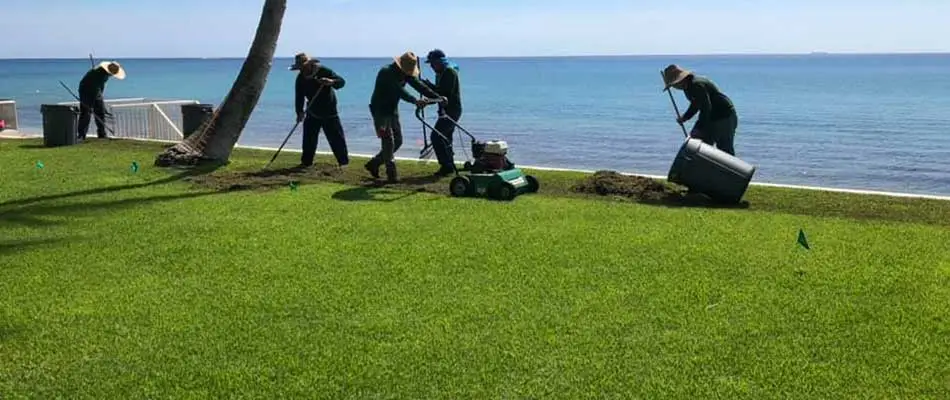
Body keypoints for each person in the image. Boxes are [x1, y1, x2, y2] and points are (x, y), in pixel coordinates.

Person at [364, 51, 443, 183]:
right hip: (380, 111)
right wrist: (415, 101)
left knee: (398, 141)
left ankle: (374, 163)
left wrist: (436, 97)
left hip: (392, 110)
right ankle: (392, 175)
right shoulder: (386, 72)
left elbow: (419, 86)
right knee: (388, 141)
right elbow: (399, 91)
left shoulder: (405, 74)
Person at [663, 64, 738, 156]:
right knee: (702, 147)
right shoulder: (688, 86)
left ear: (680, 81)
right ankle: (706, 168)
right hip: (713, 117)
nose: (674, 87)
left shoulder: (696, 85)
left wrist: (699, 127)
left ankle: (728, 170)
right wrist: (685, 117)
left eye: (674, 85)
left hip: (724, 116)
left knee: (724, 151)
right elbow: (695, 105)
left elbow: (706, 107)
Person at [290, 52, 349, 168]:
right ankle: (306, 163)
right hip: (312, 110)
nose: (302, 70)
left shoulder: (324, 71)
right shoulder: (301, 78)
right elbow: (299, 96)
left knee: (336, 138)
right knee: (309, 139)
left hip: (329, 110)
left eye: (303, 67)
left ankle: (343, 163)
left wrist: (331, 82)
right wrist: (299, 112)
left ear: (310, 65)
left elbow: (341, 82)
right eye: (300, 68)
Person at [419, 49, 463, 176]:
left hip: (452, 110)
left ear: (439, 62)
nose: (432, 67)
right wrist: (428, 86)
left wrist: (427, 91)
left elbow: (442, 94)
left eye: (433, 63)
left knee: (436, 136)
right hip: (445, 110)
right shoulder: (440, 73)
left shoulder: (449, 72)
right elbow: (439, 91)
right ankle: (449, 164)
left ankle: (446, 165)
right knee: (446, 138)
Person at [78, 61, 125, 140]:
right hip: (85, 91)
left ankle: (102, 134)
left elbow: (101, 86)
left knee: (101, 112)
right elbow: (93, 88)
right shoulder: (98, 73)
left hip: (96, 91)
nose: (112, 75)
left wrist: (100, 99)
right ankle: (81, 135)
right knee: (86, 113)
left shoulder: (106, 75)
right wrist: (91, 104)